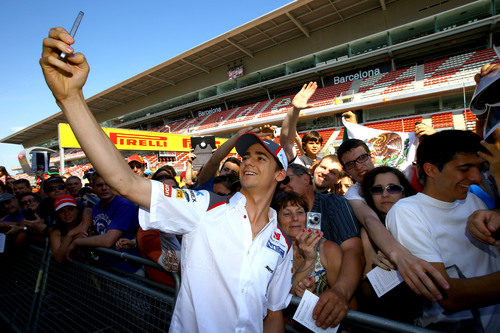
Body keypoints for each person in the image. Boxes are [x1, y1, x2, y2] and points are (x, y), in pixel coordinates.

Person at [41, 25, 354, 331]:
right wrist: (71, 99)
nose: (248, 161)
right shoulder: (203, 207)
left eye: (261, 157)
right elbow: (126, 182)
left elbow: (272, 315)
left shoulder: (281, 238)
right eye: (245, 156)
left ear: (281, 173)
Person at [387, 130, 500, 332]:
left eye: (478, 168)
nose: (475, 177)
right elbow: (446, 294)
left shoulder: (475, 200)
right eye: (464, 169)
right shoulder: (406, 212)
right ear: (431, 169)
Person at [336, 138, 449, 303]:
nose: (359, 166)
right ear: (346, 170)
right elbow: (369, 220)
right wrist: (398, 256)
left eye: (362, 158)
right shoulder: (353, 195)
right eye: (351, 164)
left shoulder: (401, 179)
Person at [281, 163, 363, 326]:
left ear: (305, 179)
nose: (283, 186)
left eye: (287, 179)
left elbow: (353, 250)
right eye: (286, 213)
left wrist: (340, 291)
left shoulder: (334, 204)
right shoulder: (277, 242)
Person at [356, 166, 421, 323]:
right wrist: (371, 267)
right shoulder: (366, 231)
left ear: (404, 192)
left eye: (393, 188)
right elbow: (366, 295)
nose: (385, 194)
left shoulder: (421, 220)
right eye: (378, 189)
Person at [66, 173, 141, 274]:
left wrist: (77, 242)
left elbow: (108, 240)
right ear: (93, 187)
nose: (104, 188)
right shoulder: (96, 206)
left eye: (108, 184)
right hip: (106, 266)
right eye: (99, 185)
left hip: (127, 269)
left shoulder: (124, 205)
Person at [274, 191, 342, 297]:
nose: (295, 218)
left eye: (300, 212)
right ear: (276, 219)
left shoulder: (328, 249)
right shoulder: (273, 250)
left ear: (307, 216)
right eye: (287, 213)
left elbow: (343, 300)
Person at [279, 82, 324, 169]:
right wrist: (295, 110)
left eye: (317, 143)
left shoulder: (323, 161)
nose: (315, 146)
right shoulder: (299, 161)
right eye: (311, 143)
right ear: (304, 146)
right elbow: (286, 142)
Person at [49, 194, 91, 262]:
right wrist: (70, 234)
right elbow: (58, 258)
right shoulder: (56, 231)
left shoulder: (84, 220)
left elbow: (88, 209)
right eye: (62, 211)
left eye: (70, 209)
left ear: (77, 210)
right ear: (57, 215)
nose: (67, 214)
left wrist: (84, 227)